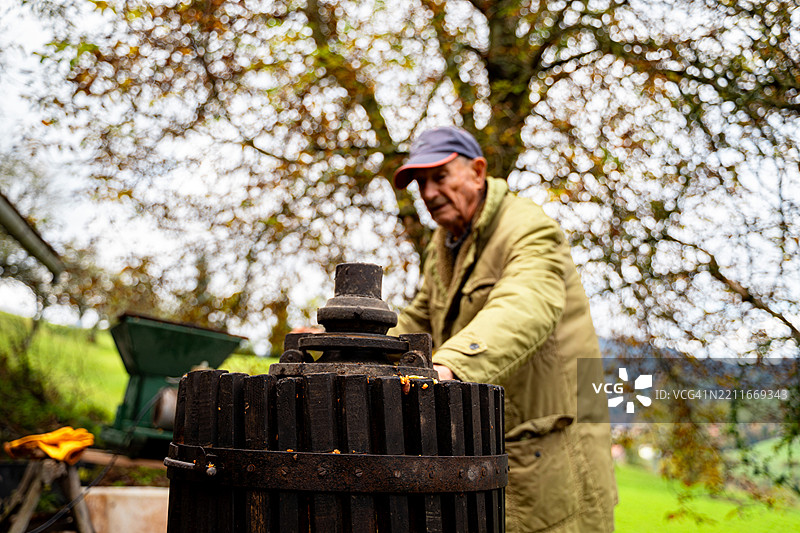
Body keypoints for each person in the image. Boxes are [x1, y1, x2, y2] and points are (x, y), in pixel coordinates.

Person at [389, 126, 617, 532]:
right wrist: (354, 350)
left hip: (550, 454)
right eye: (421, 183)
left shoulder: (528, 228)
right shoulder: (443, 245)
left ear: (477, 172)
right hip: (489, 450)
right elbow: (417, 320)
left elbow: (524, 304)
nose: (427, 193)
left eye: (439, 177)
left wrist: (450, 366)